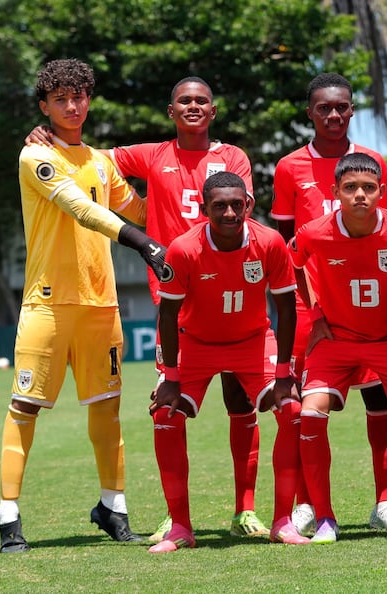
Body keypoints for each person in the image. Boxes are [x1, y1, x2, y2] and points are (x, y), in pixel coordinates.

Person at [27, 77, 271, 540]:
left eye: (201, 101)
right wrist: (47, 137)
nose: (193, 106)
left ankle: (245, 511)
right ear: (170, 111)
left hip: (228, 293)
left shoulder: (233, 157)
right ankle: (176, 517)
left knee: (240, 401)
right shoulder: (150, 155)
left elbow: (240, 214)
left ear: (213, 111)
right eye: (184, 101)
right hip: (174, 301)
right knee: (169, 405)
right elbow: (87, 156)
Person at [0, 59, 168, 553]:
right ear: (44, 107)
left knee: (107, 410)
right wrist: (141, 242)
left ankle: (113, 508)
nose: (72, 107)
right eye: (61, 99)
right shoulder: (35, 155)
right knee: (25, 408)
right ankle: (9, 518)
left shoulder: (101, 161)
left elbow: (141, 210)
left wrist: (184, 197)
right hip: (48, 305)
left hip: (101, 305)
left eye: (79, 97)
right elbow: (82, 209)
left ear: (89, 100)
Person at [288, 153, 387, 543]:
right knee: (310, 414)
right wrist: (316, 315)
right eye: (350, 188)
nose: (360, 195)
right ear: (335, 192)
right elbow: (292, 265)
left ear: (382, 193)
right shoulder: (314, 232)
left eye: (368, 188)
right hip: (336, 341)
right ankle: (324, 519)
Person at [271, 73, 387, 535]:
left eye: (341, 107)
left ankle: (385, 501)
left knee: (380, 400)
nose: (333, 115)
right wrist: (311, 309)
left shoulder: (373, 163)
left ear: (352, 110)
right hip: (314, 310)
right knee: (304, 405)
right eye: (324, 108)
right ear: (310, 112)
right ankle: (307, 503)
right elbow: (285, 247)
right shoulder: (289, 167)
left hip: (370, 305)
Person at [148, 172, 303, 552]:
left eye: (237, 204)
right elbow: (167, 315)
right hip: (195, 343)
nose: (230, 213)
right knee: (165, 414)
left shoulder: (270, 242)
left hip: (253, 342)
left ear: (248, 204)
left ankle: (282, 522)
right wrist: (170, 376)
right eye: (219, 206)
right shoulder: (184, 249)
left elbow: (286, 308)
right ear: (205, 209)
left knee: (293, 410)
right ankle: (180, 527)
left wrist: (284, 373)